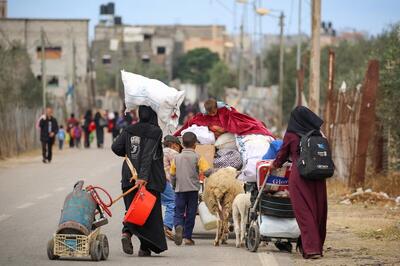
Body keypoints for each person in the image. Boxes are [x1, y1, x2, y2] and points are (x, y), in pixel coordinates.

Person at [271, 106, 327, 260]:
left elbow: (282, 155)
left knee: (304, 213)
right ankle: (315, 246)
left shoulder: (291, 135)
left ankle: (311, 249)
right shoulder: (318, 133)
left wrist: (273, 165)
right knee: (318, 211)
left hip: (300, 177)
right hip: (318, 177)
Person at [112, 105, 167, 257]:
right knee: (146, 213)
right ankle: (144, 248)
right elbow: (147, 155)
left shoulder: (129, 129)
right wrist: (142, 177)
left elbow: (116, 147)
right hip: (147, 179)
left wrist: (129, 152)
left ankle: (126, 234)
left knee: (132, 209)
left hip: (128, 175)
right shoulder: (155, 131)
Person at [170, 132, 212, 246]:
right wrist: (216, 173)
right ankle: (187, 237)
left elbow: (172, 174)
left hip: (180, 190)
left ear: (182, 144)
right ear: (195, 145)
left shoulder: (176, 158)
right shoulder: (198, 157)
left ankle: (178, 226)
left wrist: (174, 186)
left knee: (178, 212)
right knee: (190, 213)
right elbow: (207, 171)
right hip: (193, 190)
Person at [174, 98, 273, 138]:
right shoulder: (203, 116)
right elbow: (188, 124)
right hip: (214, 137)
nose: (213, 115)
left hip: (225, 136)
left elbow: (238, 119)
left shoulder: (225, 111)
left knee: (252, 125)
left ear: (217, 107)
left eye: (214, 112)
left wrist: (222, 129)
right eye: (210, 113)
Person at [161, 135, 182, 240]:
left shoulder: (159, 151)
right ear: (174, 145)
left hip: (152, 181)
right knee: (172, 202)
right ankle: (167, 227)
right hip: (165, 182)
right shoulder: (172, 153)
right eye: (179, 147)